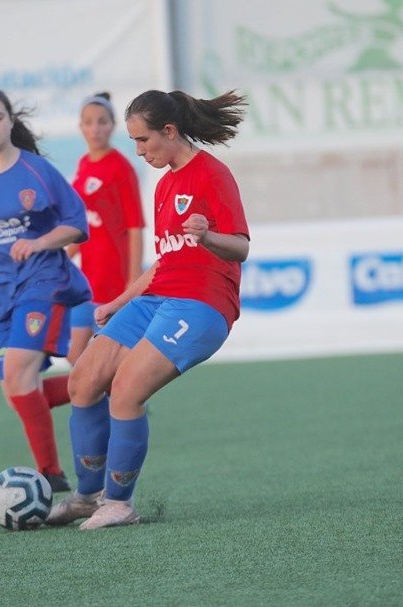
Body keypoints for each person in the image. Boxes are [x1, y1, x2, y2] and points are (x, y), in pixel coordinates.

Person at [47, 89, 250, 530]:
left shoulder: (213, 175)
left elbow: (241, 247)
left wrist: (208, 237)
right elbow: (164, 263)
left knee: (125, 389)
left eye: (143, 141)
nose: (138, 151)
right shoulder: (164, 184)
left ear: (170, 131)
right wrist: (120, 301)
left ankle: (119, 503)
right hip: (156, 298)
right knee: (83, 381)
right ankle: (87, 495)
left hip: (202, 306)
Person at [0, 88, 91, 492]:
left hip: (46, 282)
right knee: (15, 390)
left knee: (17, 373)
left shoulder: (35, 170)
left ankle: (51, 474)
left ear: (10, 120)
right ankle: (100, 383)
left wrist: (41, 242)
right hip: (3, 293)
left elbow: (78, 223)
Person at [66, 92, 145, 364]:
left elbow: (135, 226)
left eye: (102, 121)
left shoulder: (121, 168)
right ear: (80, 126)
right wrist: (64, 257)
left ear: (113, 125)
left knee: (110, 361)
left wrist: (133, 280)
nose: (95, 128)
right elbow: (84, 224)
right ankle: (101, 406)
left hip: (114, 279)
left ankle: (129, 406)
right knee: (75, 356)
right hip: (87, 280)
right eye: (88, 122)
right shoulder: (83, 165)